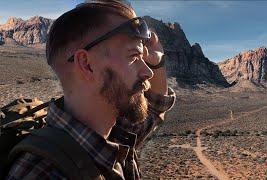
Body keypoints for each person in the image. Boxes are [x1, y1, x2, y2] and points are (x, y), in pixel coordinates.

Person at [6, 0, 175, 179]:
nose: (148, 72)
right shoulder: (44, 174)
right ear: (86, 64)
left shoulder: (110, 138)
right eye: (133, 56)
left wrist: (158, 62)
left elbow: (154, 107)